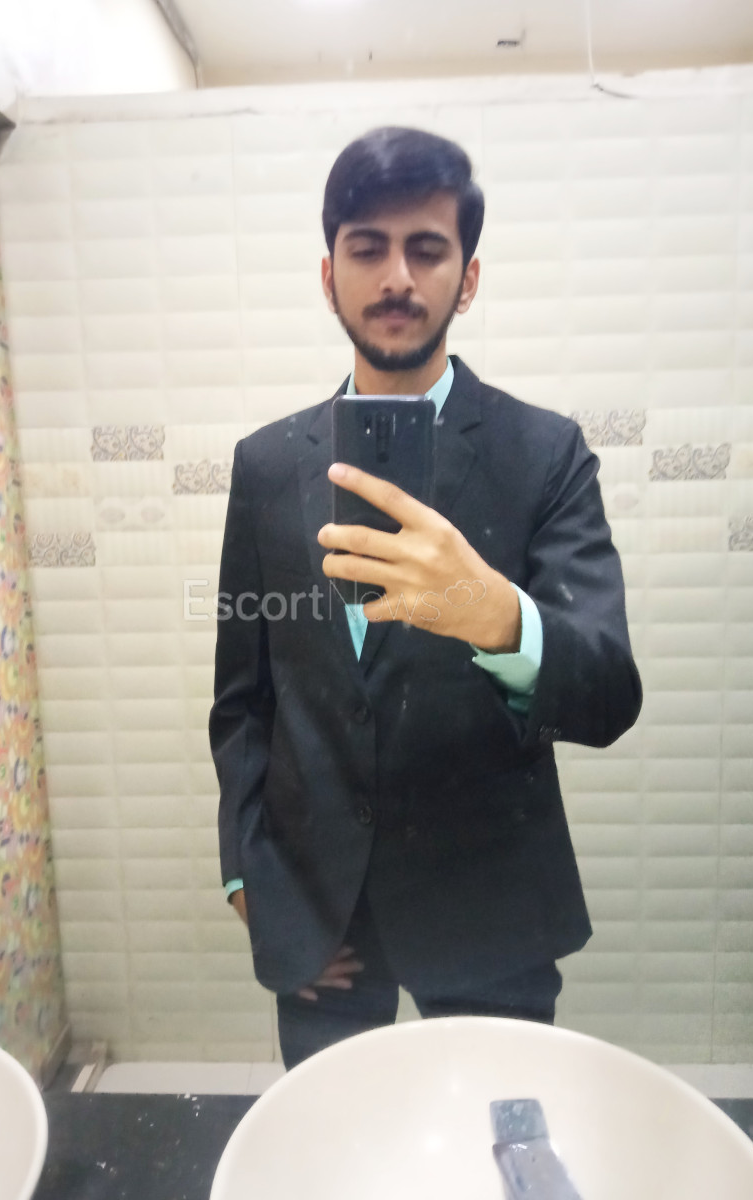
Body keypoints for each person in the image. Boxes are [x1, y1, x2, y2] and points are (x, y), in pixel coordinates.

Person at [209, 126, 642, 1070]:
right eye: (367, 247)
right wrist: (247, 874)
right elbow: (244, 702)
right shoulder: (266, 464)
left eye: (427, 249)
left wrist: (496, 614)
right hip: (319, 914)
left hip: (490, 909)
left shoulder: (545, 454)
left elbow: (610, 696)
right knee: (334, 1137)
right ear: (329, 275)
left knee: (492, 1133)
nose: (396, 276)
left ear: (468, 279)